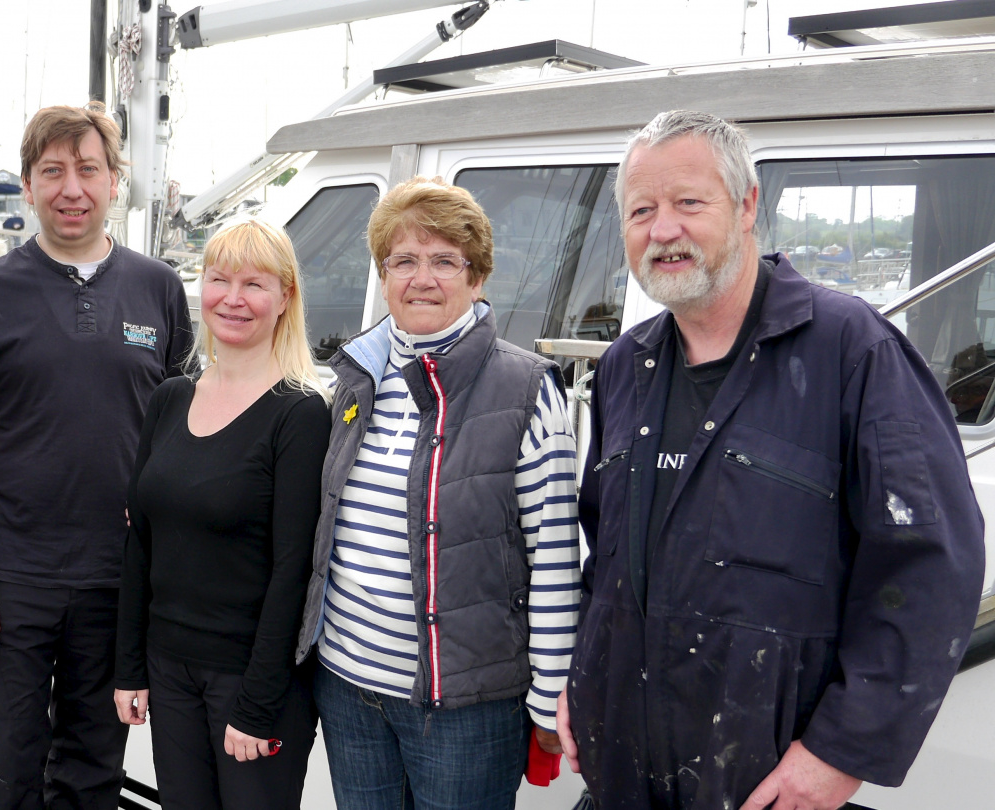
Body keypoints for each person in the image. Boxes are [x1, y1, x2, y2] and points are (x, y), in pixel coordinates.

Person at [556, 110, 986, 810]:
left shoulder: (853, 351)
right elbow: (604, 557)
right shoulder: (622, 369)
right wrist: (584, 676)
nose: (663, 230)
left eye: (689, 203)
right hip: (624, 777)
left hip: (767, 786)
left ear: (748, 204)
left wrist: (840, 753)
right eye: (642, 210)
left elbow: (932, 561)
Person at [293, 177, 581, 810]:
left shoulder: (528, 391)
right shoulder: (357, 379)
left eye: (444, 261)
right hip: (346, 687)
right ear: (384, 273)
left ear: (475, 278)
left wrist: (547, 700)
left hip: (463, 712)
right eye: (404, 261)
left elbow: (556, 563)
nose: (421, 278)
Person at [0, 102, 193, 809]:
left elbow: (179, 436)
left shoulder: (160, 289)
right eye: (52, 171)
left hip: (119, 580)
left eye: (88, 169)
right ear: (27, 185)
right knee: (1, 770)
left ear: (116, 181)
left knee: (92, 773)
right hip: (14, 578)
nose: (71, 188)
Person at [113, 218, 330, 809]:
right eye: (219, 280)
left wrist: (258, 705)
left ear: (285, 298)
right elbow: (141, 542)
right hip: (169, 667)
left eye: (255, 284)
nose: (233, 299)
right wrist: (129, 667)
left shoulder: (300, 414)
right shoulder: (170, 397)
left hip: (251, 680)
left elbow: (295, 569)